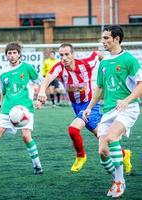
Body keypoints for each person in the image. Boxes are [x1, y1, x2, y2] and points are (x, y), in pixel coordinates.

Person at [37, 43, 132, 174]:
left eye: (67, 54)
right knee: (102, 137)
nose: (64, 58)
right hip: (76, 106)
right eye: (61, 55)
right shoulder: (59, 67)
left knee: (73, 130)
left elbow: (96, 54)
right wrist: (42, 91)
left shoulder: (85, 64)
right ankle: (124, 154)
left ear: (73, 54)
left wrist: (103, 60)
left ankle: (81, 156)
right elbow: (48, 78)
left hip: (89, 105)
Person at [83, 25, 142, 198]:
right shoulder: (104, 63)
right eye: (103, 38)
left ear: (117, 39)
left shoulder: (129, 59)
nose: (104, 41)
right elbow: (100, 88)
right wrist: (88, 108)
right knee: (103, 152)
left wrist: (127, 100)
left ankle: (120, 181)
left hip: (128, 108)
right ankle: (116, 178)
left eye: (107, 38)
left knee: (110, 137)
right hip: (108, 111)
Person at [0, 42, 43, 176]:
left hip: (25, 109)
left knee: (26, 137)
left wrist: (40, 100)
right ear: (6, 55)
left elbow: (41, 82)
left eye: (14, 52)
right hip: (7, 109)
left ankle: (37, 166)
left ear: (19, 54)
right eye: (9, 53)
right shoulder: (3, 72)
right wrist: (2, 107)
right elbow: (4, 92)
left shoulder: (27, 67)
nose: (12, 55)